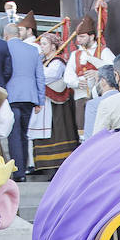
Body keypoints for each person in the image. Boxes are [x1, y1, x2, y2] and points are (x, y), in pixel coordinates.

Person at [29, 32, 78, 174]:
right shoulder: (45, 61)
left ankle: (57, 166)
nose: (42, 47)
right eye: (41, 44)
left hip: (57, 105)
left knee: (57, 133)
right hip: (46, 103)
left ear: (53, 46)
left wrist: (36, 69)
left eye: (44, 44)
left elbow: (48, 76)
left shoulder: (57, 62)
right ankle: (43, 165)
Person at [2, 20, 45, 182]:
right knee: (24, 134)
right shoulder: (33, 50)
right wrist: (40, 99)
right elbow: (40, 77)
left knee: (14, 134)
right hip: (29, 96)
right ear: (19, 34)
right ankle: (24, 168)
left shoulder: (5, 48)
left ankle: (18, 171)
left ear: (6, 35)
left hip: (11, 95)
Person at [65, 14, 115, 134]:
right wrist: (76, 83)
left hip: (100, 97)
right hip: (81, 98)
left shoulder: (103, 51)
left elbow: (114, 69)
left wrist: (98, 73)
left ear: (92, 36)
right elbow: (67, 76)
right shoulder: (75, 54)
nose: (79, 40)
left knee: (101, 129)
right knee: (83, 131)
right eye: (78, 37)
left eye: (82, 37)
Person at [80, 65, 118, 137]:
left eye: (97, 80)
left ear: (103, 82)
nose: (96, 84)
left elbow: (90, 136)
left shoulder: (93, 104)